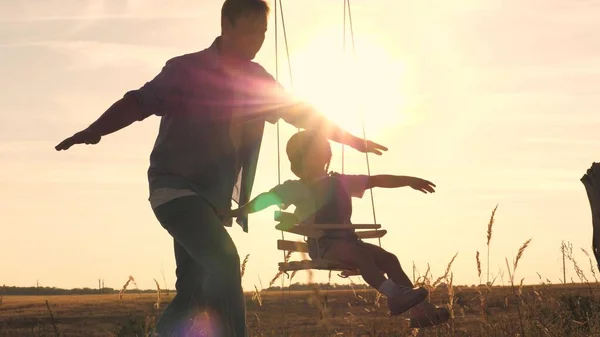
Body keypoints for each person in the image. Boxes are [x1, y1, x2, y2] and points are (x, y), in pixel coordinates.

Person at [54, 1, 387, 336]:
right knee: (225, 261)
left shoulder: (257, 80)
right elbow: (139, 101)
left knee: (193, 292)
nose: (257, 40)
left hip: (211, 204)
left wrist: (349, 139)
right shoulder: (188, 70)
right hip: (175, 191)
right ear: (226, 26)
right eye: (249, 30)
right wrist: (96, 129)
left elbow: (298, 113)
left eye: (262, 32)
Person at [227, 130, 450, 327]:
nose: (307, 163)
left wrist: (409, 180)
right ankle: (394, 295)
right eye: (301, 159)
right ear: (295, 164)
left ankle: (421, 311)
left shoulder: (341, 182)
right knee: (362, 255)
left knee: (389, 259)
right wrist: (238, 212)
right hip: (323, 245)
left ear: (325, 158)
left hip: (350, 241)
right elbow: (264, 199)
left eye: (312, 156)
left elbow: (376, 180)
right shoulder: (295, 188)